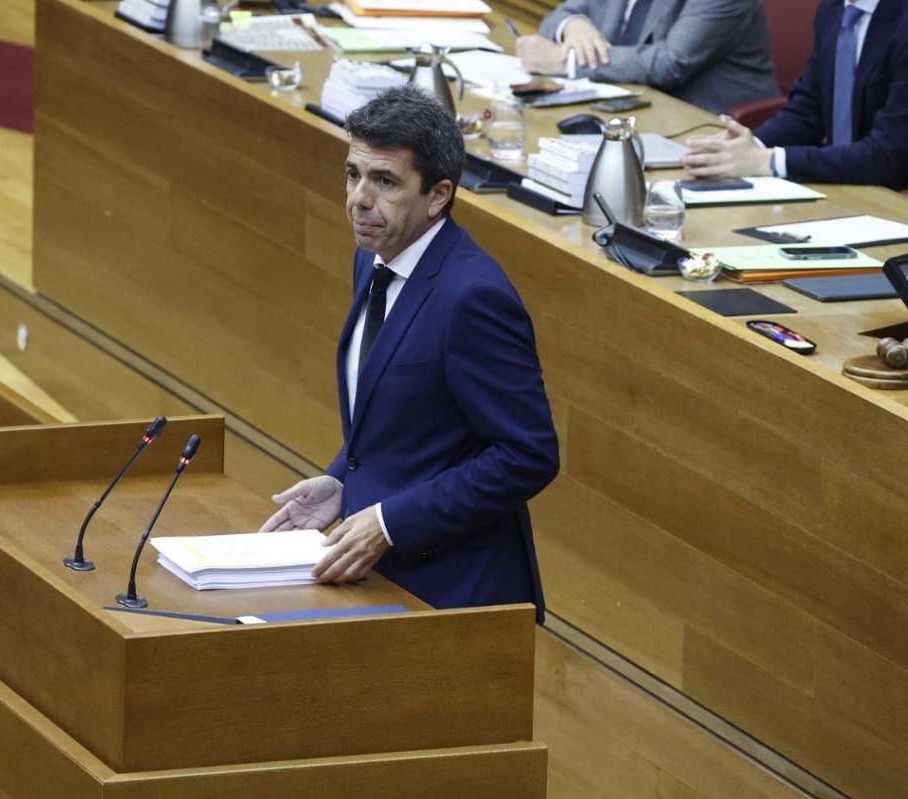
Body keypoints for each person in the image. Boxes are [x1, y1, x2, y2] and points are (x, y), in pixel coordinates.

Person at [260, 87, 560, 618]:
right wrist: (341, 481)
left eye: (385, 181)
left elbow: (527, 455)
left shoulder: (473, 297)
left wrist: (391, 522)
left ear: (438, 195)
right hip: (378, 577)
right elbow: (405, 416)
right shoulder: (376, 255)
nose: (358, 198)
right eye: (353, 174)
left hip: (456, 594)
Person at [682, 0, 908, 189]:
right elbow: (808, 109)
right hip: (847, 185)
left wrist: (771, 161)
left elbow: (891, 154)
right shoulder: (833, 9)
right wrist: (750, 147)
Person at [516, 0, 779, 113]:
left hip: (708, 123)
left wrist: (567, 62)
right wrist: (573, 24)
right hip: (631, 105)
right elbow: (561, 14)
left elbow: (669, 63)